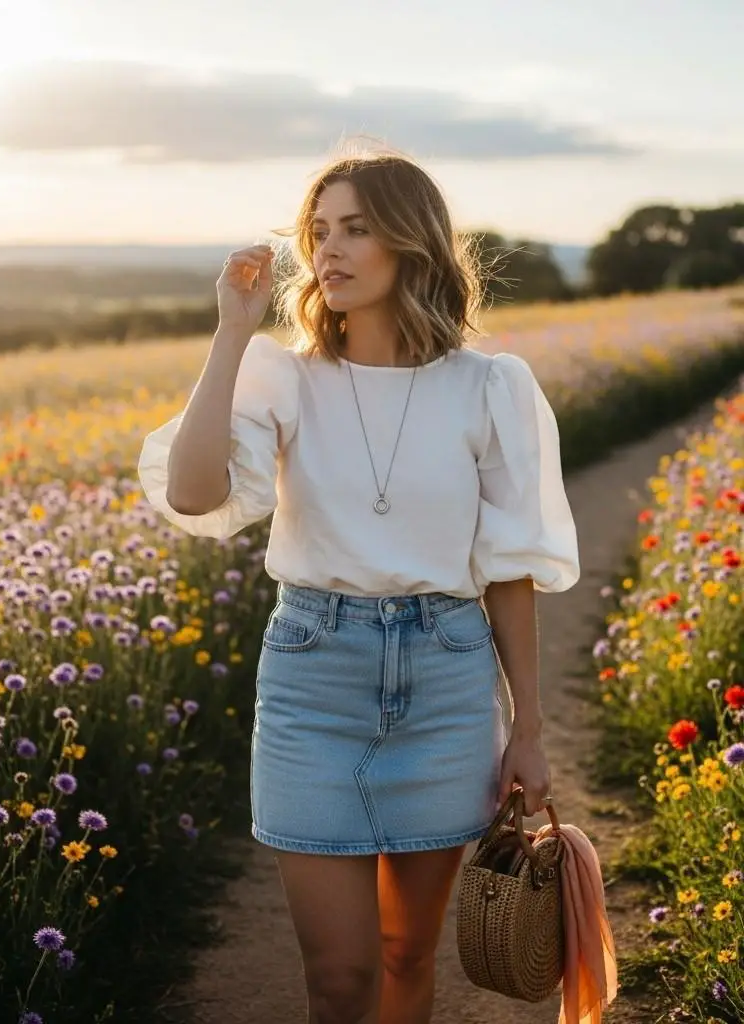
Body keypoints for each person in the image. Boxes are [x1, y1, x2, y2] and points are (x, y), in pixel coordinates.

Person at [137, 149, 580, 1024]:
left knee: (407, 955)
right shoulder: (282, 375)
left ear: (410, 242)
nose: (327, 251)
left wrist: (526, 730)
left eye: (355, 228)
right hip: (314, 679)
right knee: (339, 979)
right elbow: (193, 493)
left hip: (447, 684)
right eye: (318, 232)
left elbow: (509, 569)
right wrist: (232, 329)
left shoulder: (489, 388)